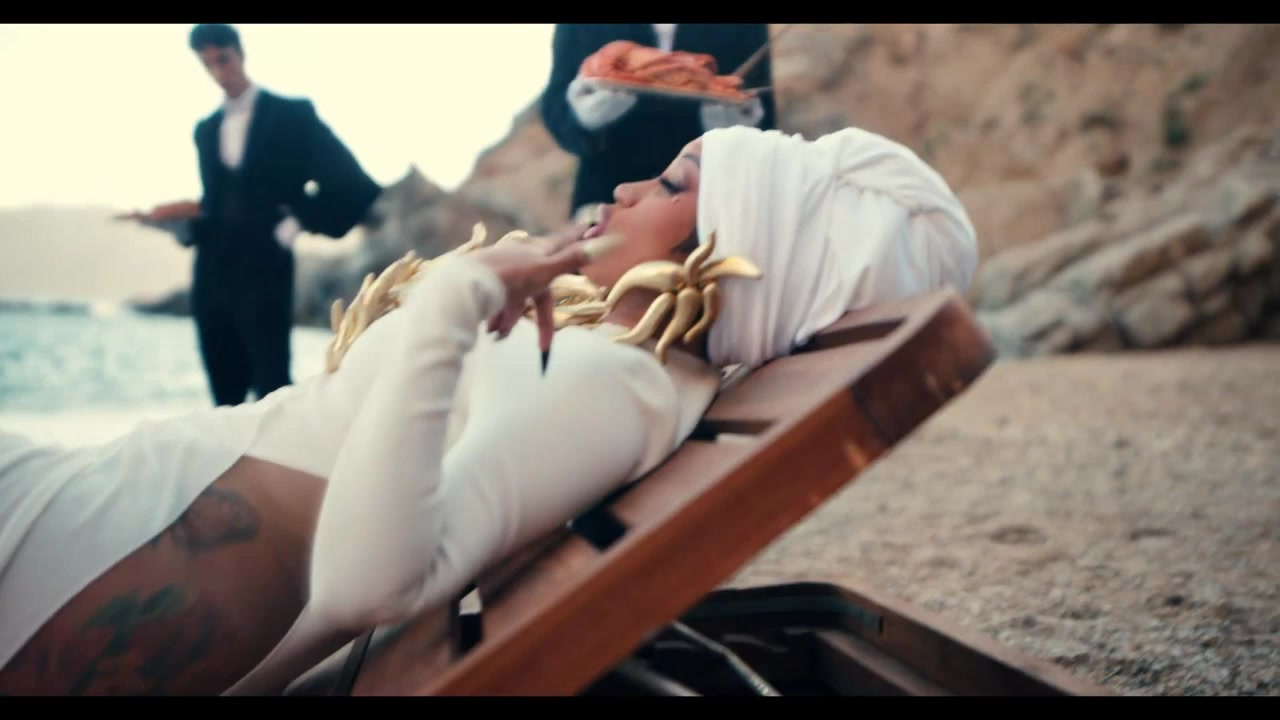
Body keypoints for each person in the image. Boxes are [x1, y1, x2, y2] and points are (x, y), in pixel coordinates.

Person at [0, 123, 978, 696]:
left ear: (737, 247)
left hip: (100, 551)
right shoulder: (612, 361)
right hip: (109, 511)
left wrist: (452, 300)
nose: (625, 186)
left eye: (673, 183)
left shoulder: (617, 384)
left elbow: (364, 584)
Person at [180, 24, 382, 407]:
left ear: (240, 52)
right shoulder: (206, 130)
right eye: (208, 64)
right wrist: (182, 227)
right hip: (211, 274)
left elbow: (354, 185)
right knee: (223, 397)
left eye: (223, 59)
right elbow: (217, 202)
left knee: (272, 389)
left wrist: (298, 222)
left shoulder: (291, 116)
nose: (219, 72)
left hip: (265, 270)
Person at [540, 24, 778, 221]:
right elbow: (555, 108)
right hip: (606, 198)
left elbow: (763, 111)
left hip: (704, 204)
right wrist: (583, 116)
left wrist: (742, 124)